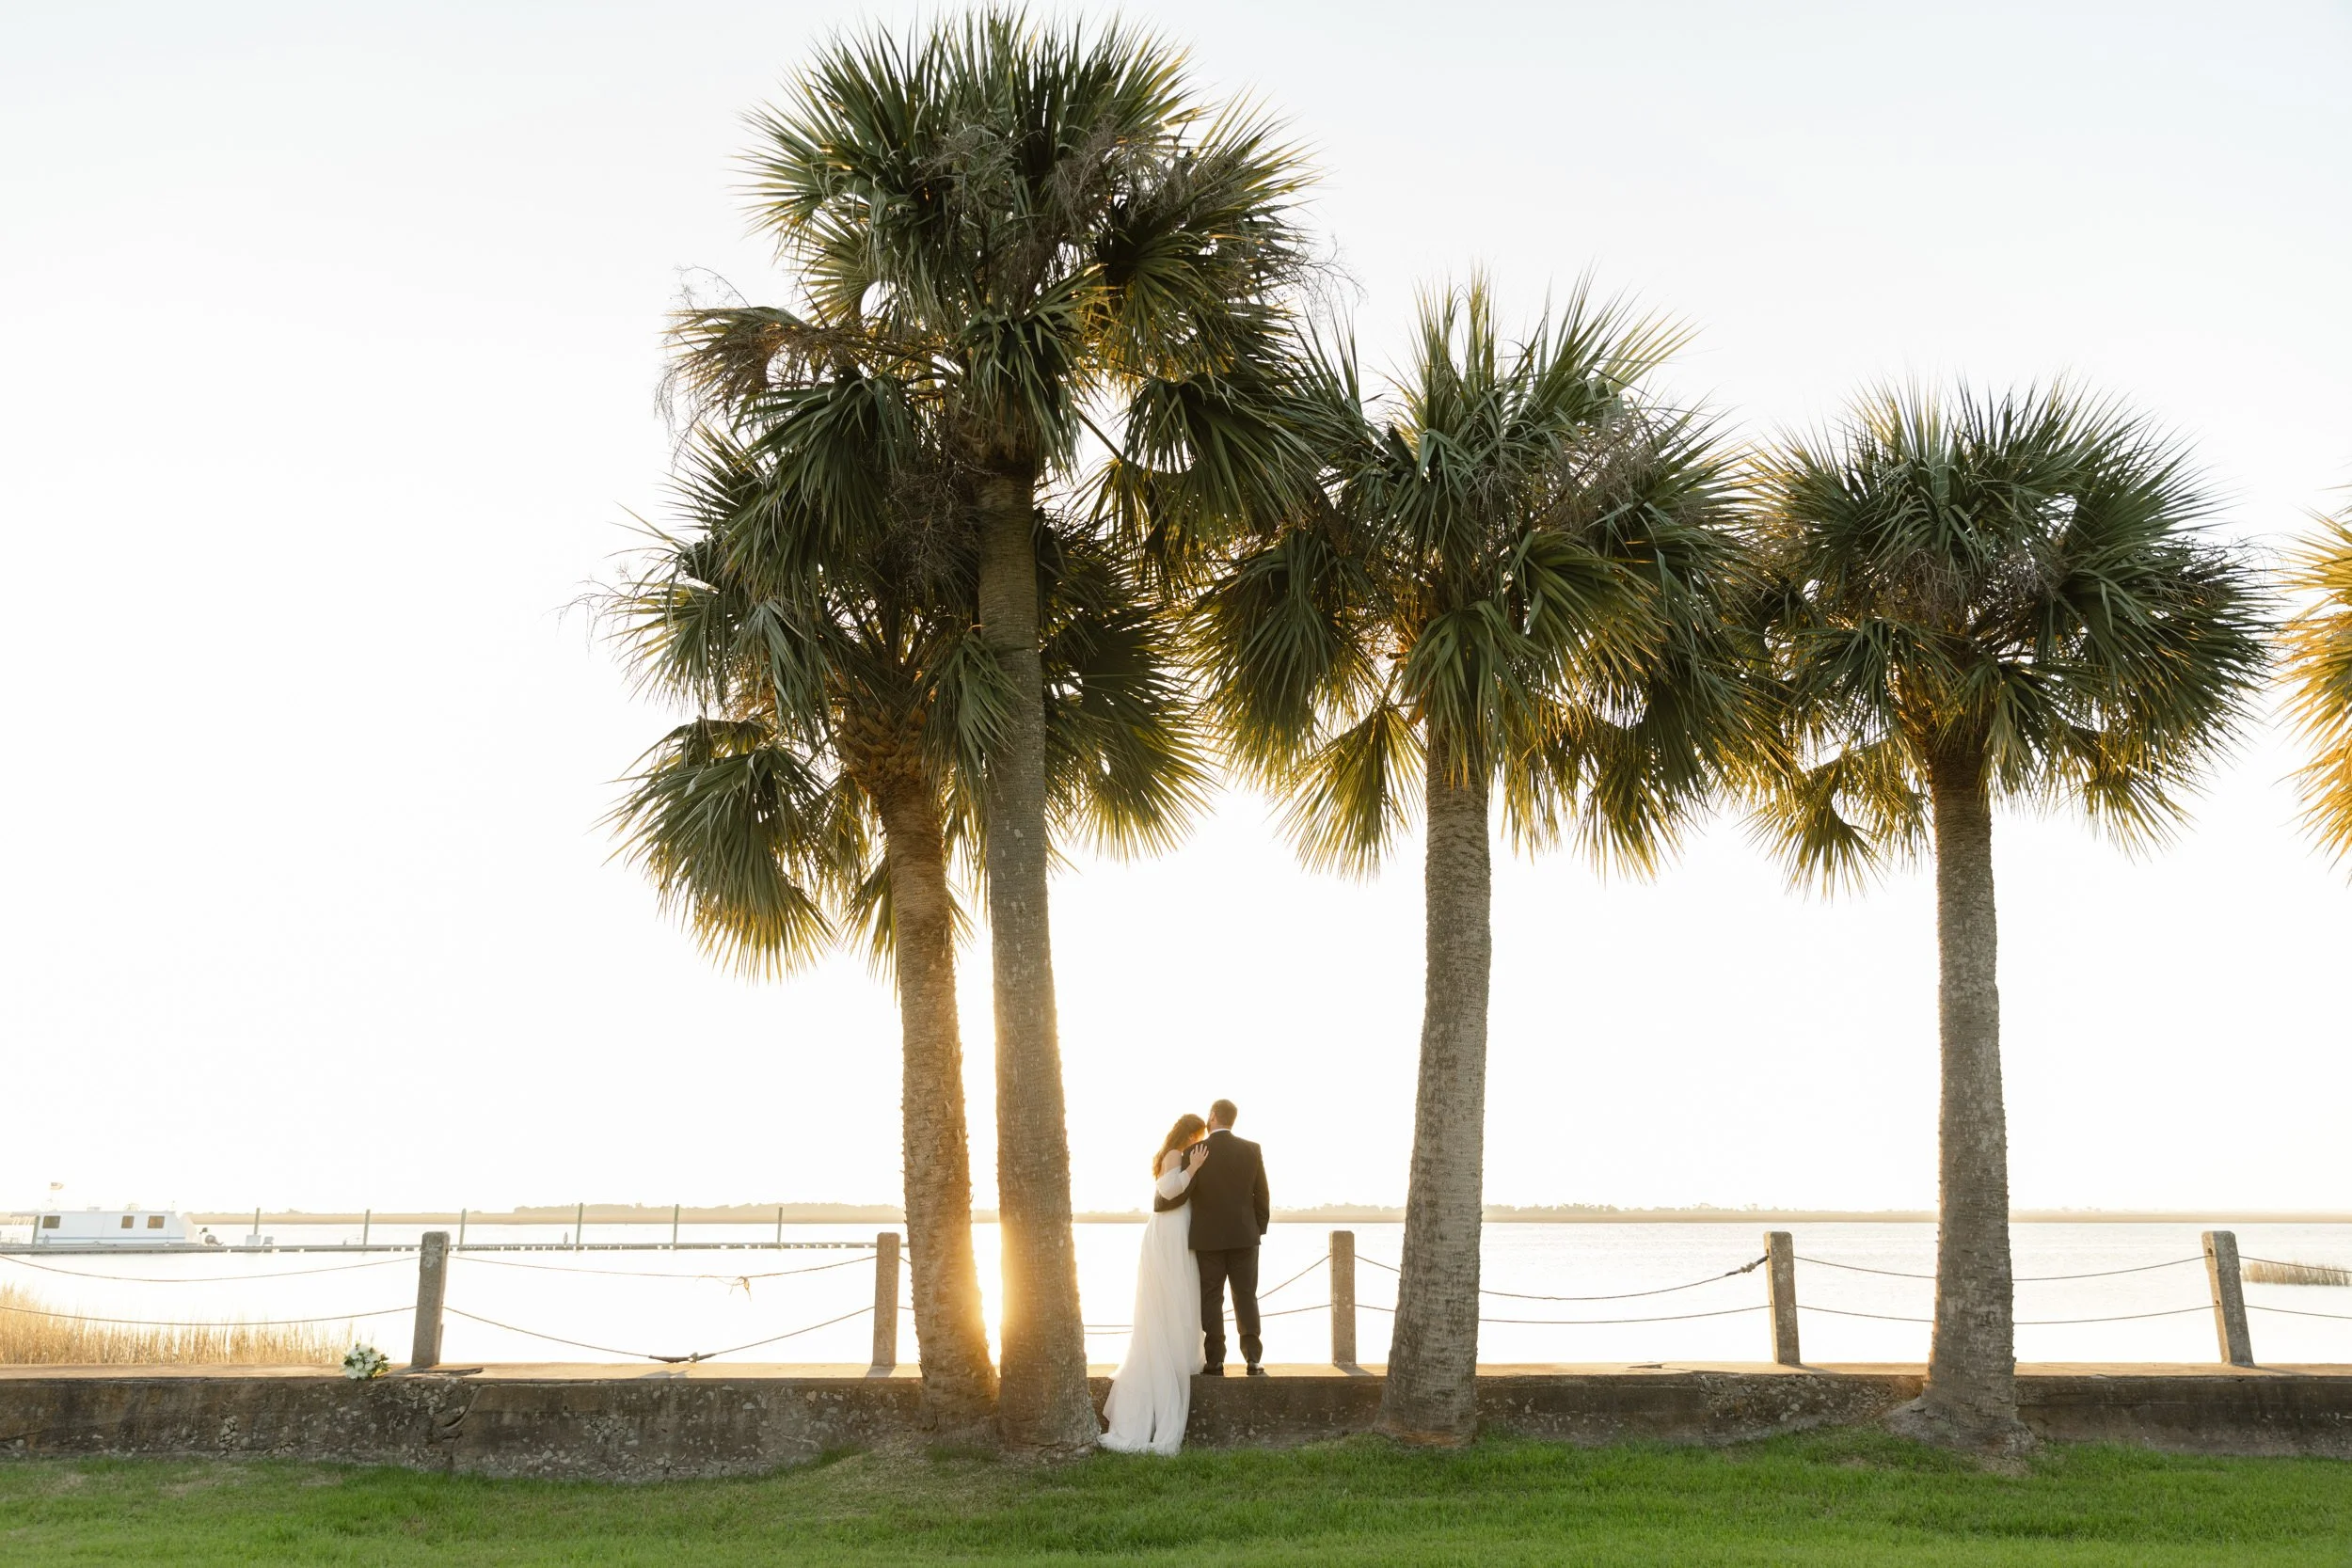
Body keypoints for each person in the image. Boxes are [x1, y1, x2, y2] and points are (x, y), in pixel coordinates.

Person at [1099, 1113, 1211, 1453]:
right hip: (1168, 1231)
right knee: (1171, 1293)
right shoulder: (1176, 1155)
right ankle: (1169, 1356)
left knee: (1179, 1293)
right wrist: (1194, 1168)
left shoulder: (1178, 1154)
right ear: (1189, 1133)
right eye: (1198, 1136)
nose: (1199, 1142)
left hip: (1177, 1228)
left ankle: (1181, 1350)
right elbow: (1167, 1190)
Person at [1180, 1099, 1270, 1376]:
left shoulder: (1195, 1151)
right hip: (1245, 1236)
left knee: (1211, 1297)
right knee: (1246, 1296)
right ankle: (1253, 1359)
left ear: (1214, 1116)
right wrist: (1257, 1228)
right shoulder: (1251, 1150)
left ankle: (1215, 1359)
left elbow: (1187, 1194)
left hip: (1208, 1238)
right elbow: (1262, 1195)